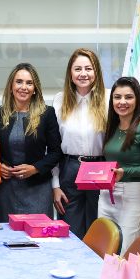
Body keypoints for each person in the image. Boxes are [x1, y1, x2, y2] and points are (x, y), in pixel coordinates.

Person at [98, 77, 140, 255]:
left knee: (122, 254)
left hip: (132, 197)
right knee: (104, 252)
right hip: (106, 195)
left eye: (128, 97)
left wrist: (126, 172)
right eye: (117, 97)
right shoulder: (111, 127)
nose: (122, 102)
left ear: (137, 100)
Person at [0, 63, 62, 221]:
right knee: (6, 232)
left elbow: (56, 152)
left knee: (38, 234)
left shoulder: (47, 113)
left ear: (35, 89)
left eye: (29, 83)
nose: (24, 87)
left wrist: (35, 168)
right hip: (6, 189)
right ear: (11, 86)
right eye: (19, 82)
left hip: (37, 188)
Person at [51, 48, 108, 237]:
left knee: (98, 231)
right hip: (70, 168)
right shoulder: (59, 100)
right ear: (70, 73)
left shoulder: (108, 99)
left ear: (96, 72)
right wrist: (55, 185)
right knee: (71, 232)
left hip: (100, 169)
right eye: (78, 69)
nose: (83, 74)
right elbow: (53, 146)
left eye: (88, 68)